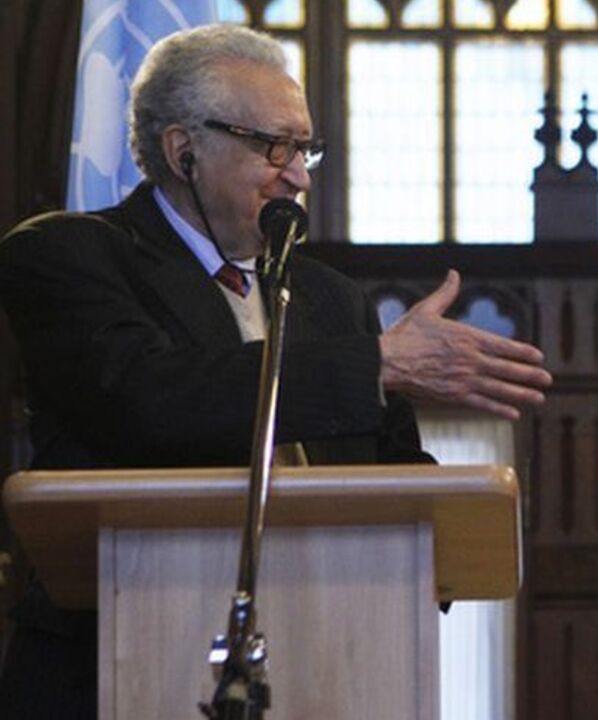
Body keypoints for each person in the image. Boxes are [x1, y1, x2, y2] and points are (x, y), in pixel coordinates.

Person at [0, 24, 553, 718]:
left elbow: (391, 468)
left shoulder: (331, 299)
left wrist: (452, 522)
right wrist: (376, 362)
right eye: (274, 146)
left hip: (335, 656)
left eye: (305, 149)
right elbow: (145, 399)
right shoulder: (68, 254)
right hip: (114, 660)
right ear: (183, 150)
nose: (298, 175)